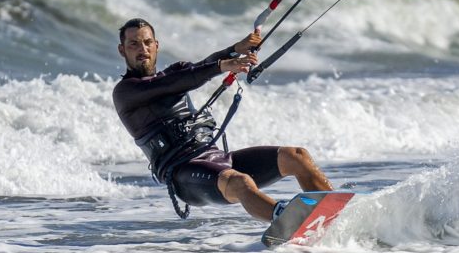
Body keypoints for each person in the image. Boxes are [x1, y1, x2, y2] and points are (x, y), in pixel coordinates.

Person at [112, 18, 333, 222]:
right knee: (241, 182)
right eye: (134, 44)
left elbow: (199, 67)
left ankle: (334, 212)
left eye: (147, 42)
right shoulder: (125, 92)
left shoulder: (175, 72)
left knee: (296, 156)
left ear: (156, 45)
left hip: (216, 158)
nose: (143, 49)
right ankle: (288, 221)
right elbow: (174, 84)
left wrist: (235, 50)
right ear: (122, 50)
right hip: (183, 173)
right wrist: (221, 67)